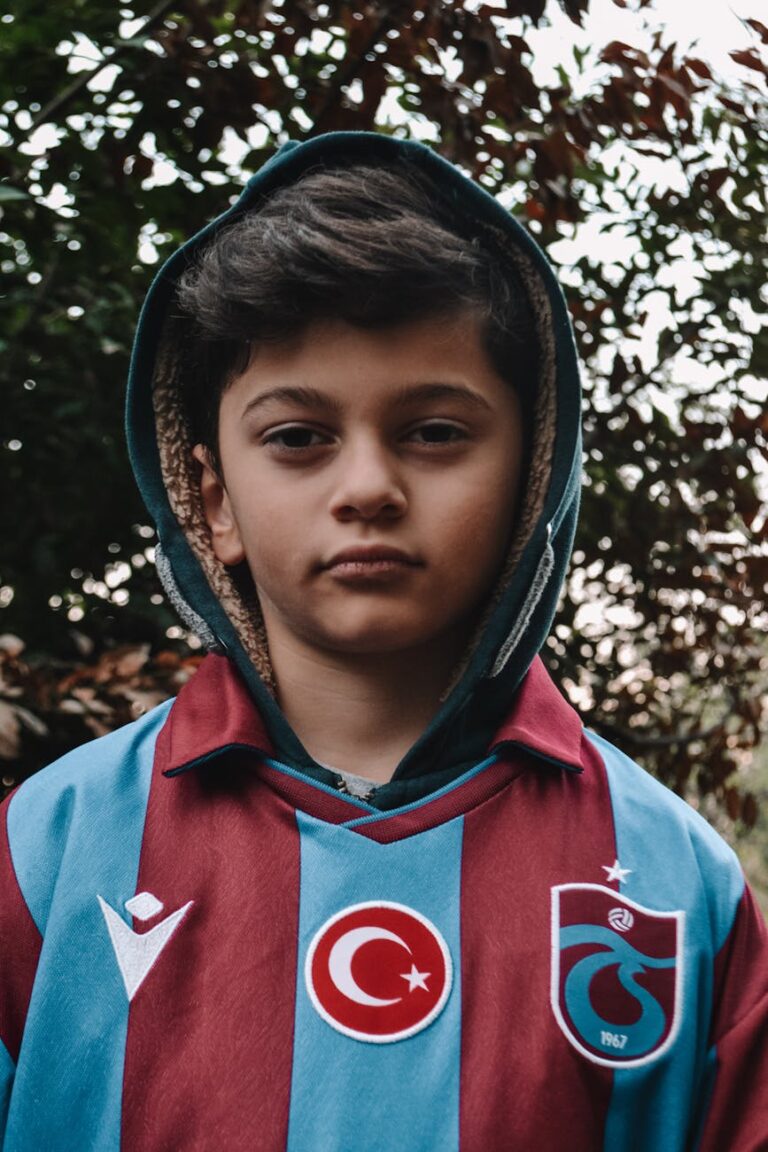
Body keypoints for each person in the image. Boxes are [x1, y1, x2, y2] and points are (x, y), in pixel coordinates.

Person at [0, 131, 765, 1151]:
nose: (367, 487)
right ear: (213, 499)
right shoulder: (44, 850)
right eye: (298, 437)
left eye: (436, 431)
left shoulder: (678, 883)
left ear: (531, 473)